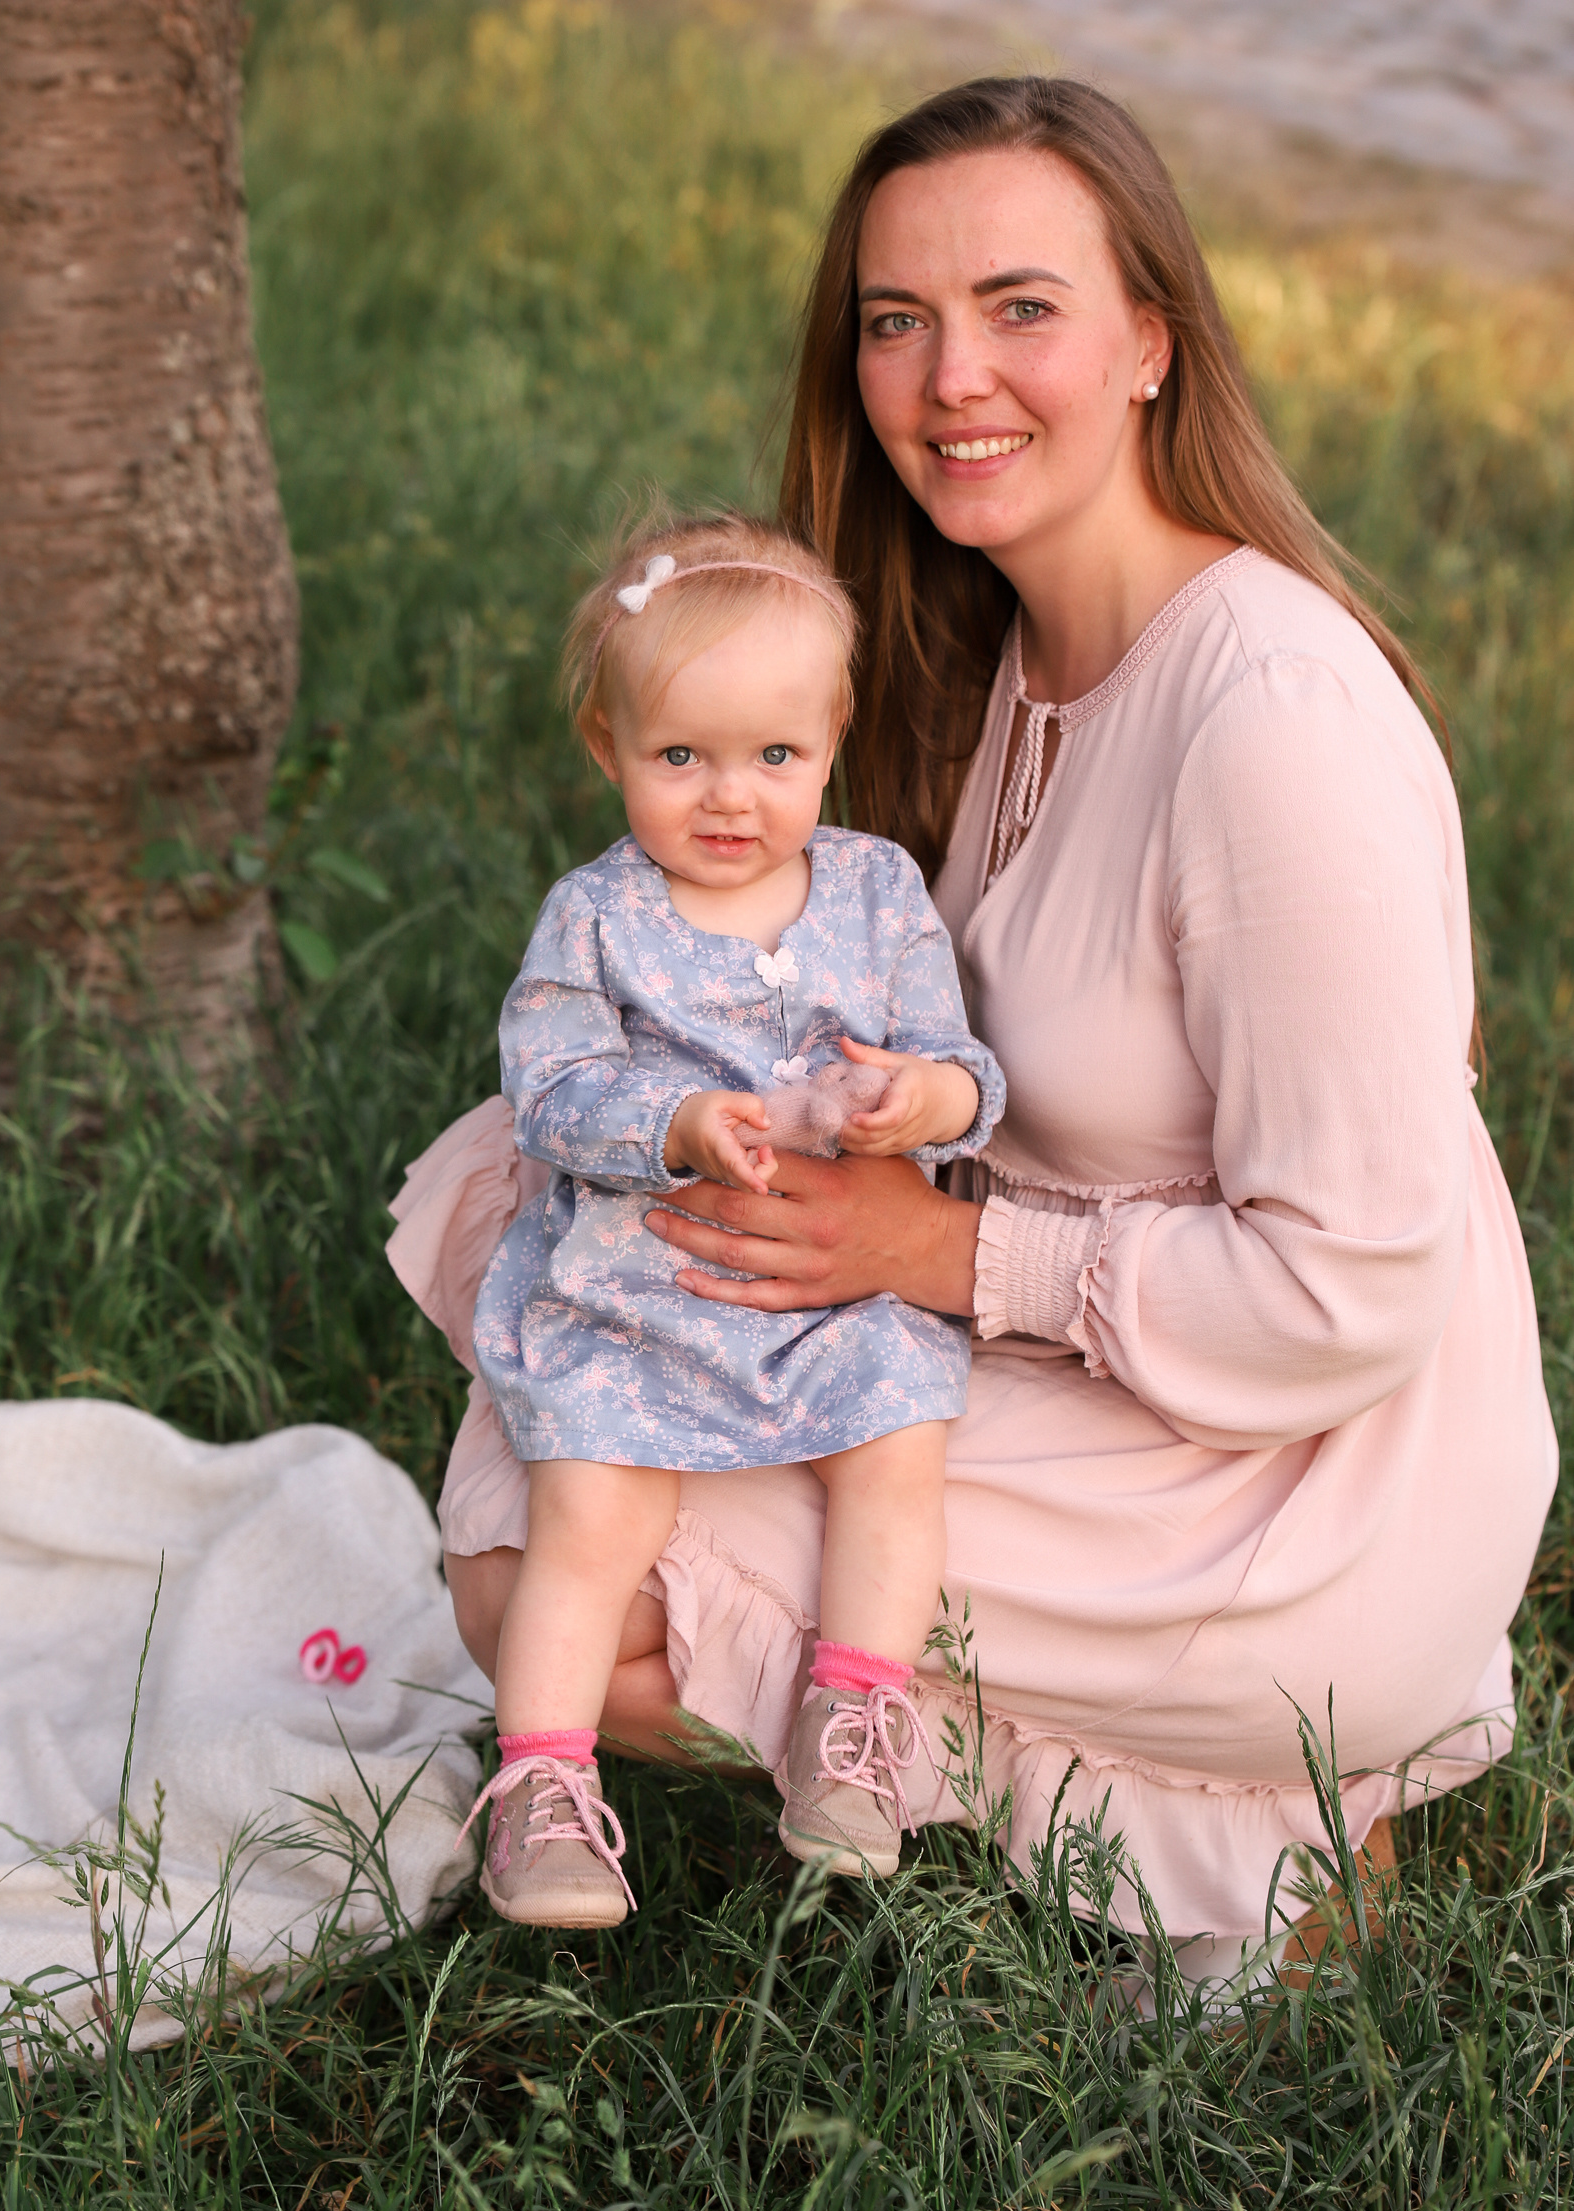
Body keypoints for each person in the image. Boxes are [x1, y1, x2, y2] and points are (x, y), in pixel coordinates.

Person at [390, 77, 1555, 1995]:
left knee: (555, 1594)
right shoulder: (1016, 651)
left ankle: (1250, 1837)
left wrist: (929, 1249)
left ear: (1153, 341)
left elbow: (1348, 1289)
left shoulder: (1272, 718)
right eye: (895, 320)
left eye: (1022, 307)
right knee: (540, 1381)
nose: (950, 380)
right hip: (1107, 1352)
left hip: (1289, 1468)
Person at [437, 513, 1003, 1928]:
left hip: (833, 1288)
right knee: (593, 1506)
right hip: (646, 1275)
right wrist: (673, 1123)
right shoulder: (597, 919)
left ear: (830, 741)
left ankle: (853, 1721)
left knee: (897, 1437)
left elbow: (966, 1068)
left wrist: (915, 1100)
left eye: (773, 757)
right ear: (604, 747)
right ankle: (544, 1788)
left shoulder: (876, 894)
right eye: (678, 757)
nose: (728, 798)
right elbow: (552, 1091)